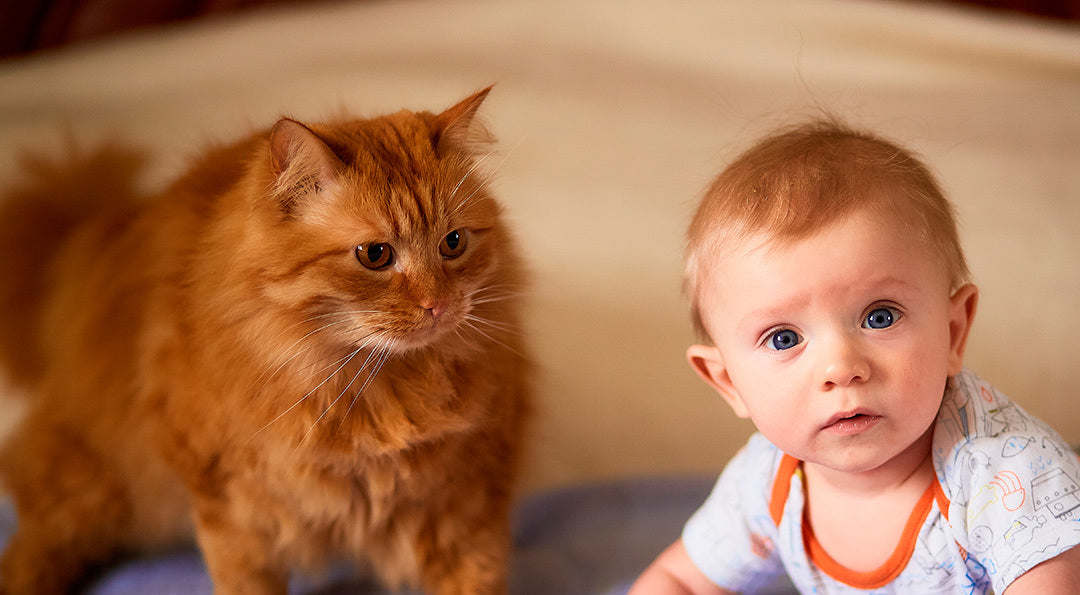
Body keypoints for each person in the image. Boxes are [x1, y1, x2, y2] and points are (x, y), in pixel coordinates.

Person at [630, 120, 1080, 594]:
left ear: (952, 333)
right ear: (728, 383)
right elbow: (679, 579)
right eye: (783, 339)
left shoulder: (1009, 476)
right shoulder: (768, 479)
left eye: (880, 317)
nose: (841, 367)